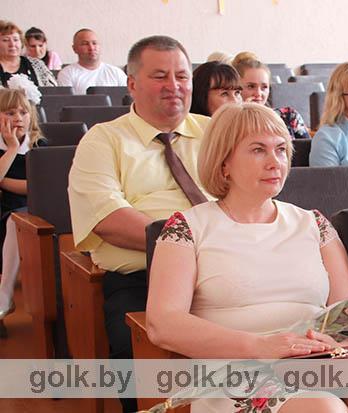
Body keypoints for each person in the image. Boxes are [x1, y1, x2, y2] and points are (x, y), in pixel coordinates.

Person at [147, 103, 348, 413]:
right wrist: (260, 346)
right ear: (223, 163)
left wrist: (341, 341)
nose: (275, 162)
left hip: (318, 364)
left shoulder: (315, 224)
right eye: (258, 150)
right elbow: (163, 323)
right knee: (324, 409)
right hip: (236, 368)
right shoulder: (187, 227)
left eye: (281, 150)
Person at [68, 35, 209, 413]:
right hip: (145, 278)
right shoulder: (104, 140)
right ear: (131, 83)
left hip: (226, 268)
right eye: (160, 76)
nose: (174, 85)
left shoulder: (215, 132)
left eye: (182, 76)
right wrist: (190, 247)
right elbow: (108, 220)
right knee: (137, 356)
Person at [0, 88, 46, 338]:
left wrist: (4, 183)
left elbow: (39, 185)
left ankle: (4, 296)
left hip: (35, 209)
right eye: (9, 113)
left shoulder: (39, 145)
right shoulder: (4, 148)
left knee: (18, 221)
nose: (18, 118)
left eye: (23, 112)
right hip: (6, 210)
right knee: (14, 220)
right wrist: (10, 148)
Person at [232, 52, 310, 140]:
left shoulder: (290, 116)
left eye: (264, 87)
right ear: (236, 89)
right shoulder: (230, 123)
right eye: (251, 86)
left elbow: (308, 147)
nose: (258, 93)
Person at [57, 29, 127, 94]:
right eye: (85, 44)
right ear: (74, 48)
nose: (91, 48)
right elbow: (66, 101)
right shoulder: (67, 74)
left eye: (94, 43)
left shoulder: (116, 73)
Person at [0, 20, 55, 87]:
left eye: (16, 40)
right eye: (5, 40)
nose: (12, 44)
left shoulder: (37, 64)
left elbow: (53, 90)